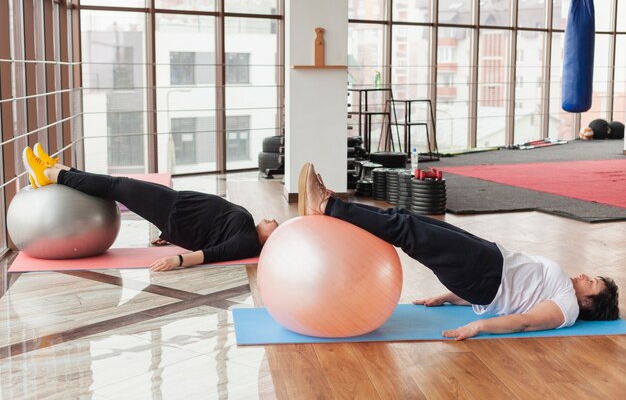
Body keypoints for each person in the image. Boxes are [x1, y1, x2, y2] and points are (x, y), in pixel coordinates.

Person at [298, 163, 620, 340]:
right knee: (410, 220)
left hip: (486, 274)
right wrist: (450, 297)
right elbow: (517, 294)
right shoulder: (563, 286)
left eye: (592, 283)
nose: (585, 276)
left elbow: (522, 320)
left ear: (589, 302)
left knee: (407, 231)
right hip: (490, 263)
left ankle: (328, 205)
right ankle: (331, 205)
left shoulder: (566, 308)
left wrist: (478, 326)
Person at [22, 144, 279, 271]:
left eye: (275, 226)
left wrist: (176, 261)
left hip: (174, 212)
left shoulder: (247, 242)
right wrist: (169, 239)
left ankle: (52, 174)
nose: (271, 219)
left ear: (269, 240)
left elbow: (211, 253)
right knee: (115, 185)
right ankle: (56, 169)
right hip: (177, 205)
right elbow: (213, 231)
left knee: (117, 185)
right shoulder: (247, 230)